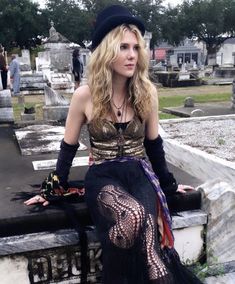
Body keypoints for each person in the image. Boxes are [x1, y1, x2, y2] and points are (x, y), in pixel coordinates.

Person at [25, 5, 202, 284]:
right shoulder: (84, 96)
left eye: (135, 48)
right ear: (107, 51)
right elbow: (68, 148)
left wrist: (168, 186)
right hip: (103, 176)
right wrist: (52, 189)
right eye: (123, 47)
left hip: (139, 174)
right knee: (134, 216)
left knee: (148, 243)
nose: (132, 55)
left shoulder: (147, 93)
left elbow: (154, 145)